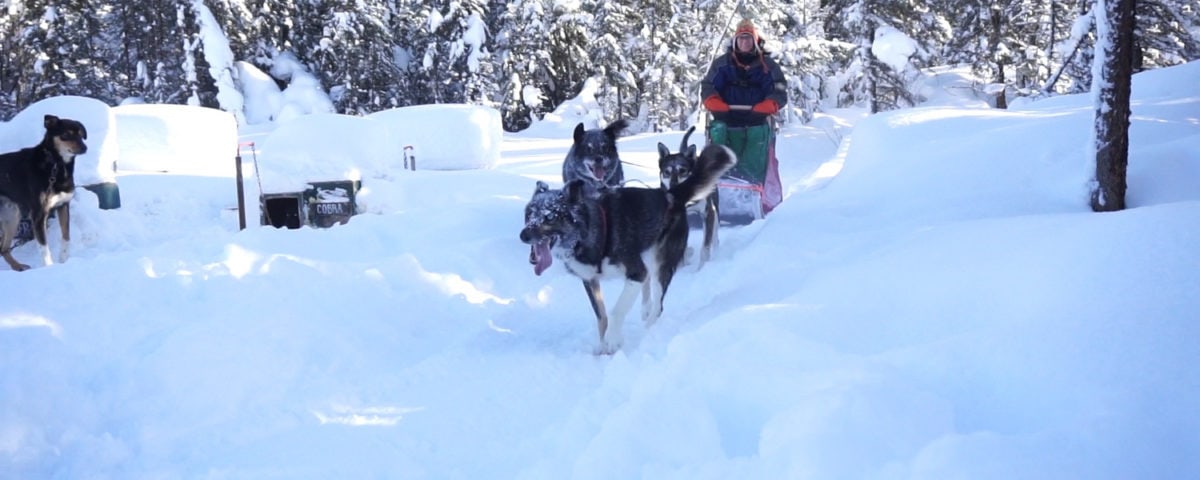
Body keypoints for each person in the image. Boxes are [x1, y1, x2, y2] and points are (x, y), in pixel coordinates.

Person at [700, 18, 788, 219]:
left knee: (757, 137)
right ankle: (715, 183)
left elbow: (779, 89)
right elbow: (708, 86)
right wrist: (714, 101)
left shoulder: (768, 66)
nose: (745, 43)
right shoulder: (722, 64)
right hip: (726, 118)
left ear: (755, 42)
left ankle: (751, 186)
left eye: (748, 39)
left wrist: (769, 105)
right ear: (735, 41)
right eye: (741, 39)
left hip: (756, 119)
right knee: (718, 133)